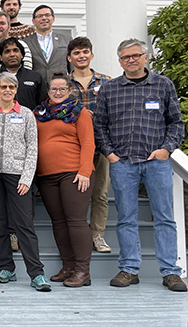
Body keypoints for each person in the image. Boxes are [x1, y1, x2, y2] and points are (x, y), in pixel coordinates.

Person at [94, 39, 187, 292]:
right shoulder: (109, 89)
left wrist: (166, 149)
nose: (131, 60)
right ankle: (129, 269)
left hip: (155, 162)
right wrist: (110, 154)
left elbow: (176, 123)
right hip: (123, 162)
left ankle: (170, 272)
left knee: (165, 218)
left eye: (136, 55)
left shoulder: (163, 85)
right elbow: (99, 126)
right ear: (119, 60)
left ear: (146, 57)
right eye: (125, 57)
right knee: (125, 218)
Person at [0, 72, 51, 292]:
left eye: (11, 87)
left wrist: (27, 178)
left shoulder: (27, 114)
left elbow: (33, 148)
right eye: (3, 87)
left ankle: (36, 273)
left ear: (16, 89)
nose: (7, 90)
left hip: (18, 175)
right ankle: (6, 268)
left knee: (24, 225)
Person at [34, 72, 95, 287]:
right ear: (48, 91)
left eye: (62, 89)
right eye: (53, 89)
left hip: (74, 173)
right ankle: (68, 266)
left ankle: (82, 270)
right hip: (46, 175)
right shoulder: (39, 112)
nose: (57, 92)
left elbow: (88, 143)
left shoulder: (79, 112)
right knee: (58, 223)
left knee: (76, 221)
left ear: (69, 91)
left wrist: (85, 171)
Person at [66, 37, 112, 253]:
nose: (81, 56)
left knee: (100, 193)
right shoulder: (64, 85)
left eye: (85, 52)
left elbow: (116, 112)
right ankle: (79, 234)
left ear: (91, 55)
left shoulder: (107, 81)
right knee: (77, 193)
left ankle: (97, 235)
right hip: (75, 146)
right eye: (76, 53)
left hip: (102, 144)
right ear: (69, 58)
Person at [0, 37, 46, 111]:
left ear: (22, 55)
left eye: (15, 50)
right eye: (7, 51)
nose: (12, 54)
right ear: (1, 57)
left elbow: (43, 104)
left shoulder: (35, 77)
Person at [22, 5, 71, 81]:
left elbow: (72, 68)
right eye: (40, 16)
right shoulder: (25, 42)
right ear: (33, 21)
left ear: (53, 18)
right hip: (36, 87)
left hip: (60, 88)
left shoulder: (66, 40)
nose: (44, 18)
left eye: (47, 15)